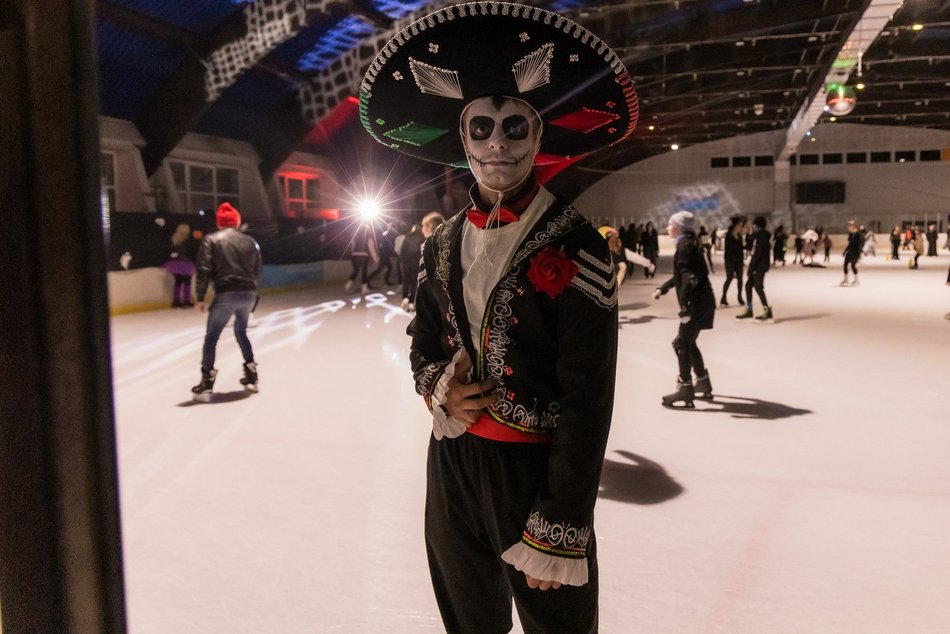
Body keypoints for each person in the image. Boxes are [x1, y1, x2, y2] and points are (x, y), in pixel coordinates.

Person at [360, 5, 637, 630]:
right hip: (452, 470)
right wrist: (439, 388)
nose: (497, 144)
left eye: (515, 128)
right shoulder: (438, 242)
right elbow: (422, 341)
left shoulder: (578, 245)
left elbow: (589, 393)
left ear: (539, 139)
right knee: (466, 620)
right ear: (462, 141)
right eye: (481, 128)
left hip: (534, 475)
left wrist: (563, 519)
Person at [191, 202, 262, 400]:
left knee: (211, 337)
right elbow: (257, 270)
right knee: (241, 332)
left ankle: (206, 382)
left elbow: (203, 269)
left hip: (226, 294)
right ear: (237, 221)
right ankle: (252, 375)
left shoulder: (211, 240)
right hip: (248, 293)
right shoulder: (250, 242)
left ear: (219, 222)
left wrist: (200, 297)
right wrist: (251, 290)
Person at [652, 211, 715, 407]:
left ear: (678, 227)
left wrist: (686, 307)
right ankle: (703, 383)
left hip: (696, 304)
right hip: (704, 301)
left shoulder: (685, 247)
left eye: (670, 225)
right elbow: (683, 275)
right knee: (689, 343)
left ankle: (686, 388)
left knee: (681, 344)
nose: (667, 228)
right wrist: (664, 288)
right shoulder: (690, 243)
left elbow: (689, 278)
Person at [398, 212, 444, 312]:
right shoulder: (429, 241)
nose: (422, 228)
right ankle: (410, 301)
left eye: (424, 225)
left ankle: (406, 299)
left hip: (433, 288)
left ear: (430, 226)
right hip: (417, 266)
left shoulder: (430, 243)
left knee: (407, 282)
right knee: (413, 282)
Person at [737, 215, 773, 320]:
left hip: (759, 267)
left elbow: (758, 254)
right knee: (748, 286)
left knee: (758, 287)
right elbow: (749, 246)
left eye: (754, 225)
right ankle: (749, 309)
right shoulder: (759, 236)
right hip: (758, 266)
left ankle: (767, 310)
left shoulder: (761, 237)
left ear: (757, 225)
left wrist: (752, 268)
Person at [163, 222, 197, 308]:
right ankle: (186, 300)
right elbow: (191, 251)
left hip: (174, 263)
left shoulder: (174, 238)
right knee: (187, 281)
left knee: (178, 281)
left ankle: (176, 301)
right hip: (185, 263)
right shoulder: (188, 239)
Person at [344, 220, 379, 293]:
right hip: (364, 255)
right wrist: (375, 258)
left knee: (356, 271)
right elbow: (371, 246)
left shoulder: (356, 234)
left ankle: (348, 284)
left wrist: (353, 253)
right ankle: (364, 288)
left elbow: (352, 245)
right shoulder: (368, 234)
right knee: (364, 272)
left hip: (355, 255)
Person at [720, 214, 746, 307]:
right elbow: (730, 249)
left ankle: (739, 297)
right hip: (730, 260)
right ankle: (723, 298)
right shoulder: (729, 236)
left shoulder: (739, 236)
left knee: (740, 279)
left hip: (739, 260)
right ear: (735, 226)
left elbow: (740, 247)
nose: (741, 227)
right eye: (740, 225)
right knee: (730, 277)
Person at [841, 220, 862, 285]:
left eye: (849, 225)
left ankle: (857, 280)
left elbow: (860, 244)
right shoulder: (850, 234)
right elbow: (849, 244)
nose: (848, 227)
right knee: (845, 265)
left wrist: (859, 253)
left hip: (855, 252)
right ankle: (846, 280)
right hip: (850, 252)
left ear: (853, 226)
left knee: (853, 265)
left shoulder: (858, 234)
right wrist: (845, 251)